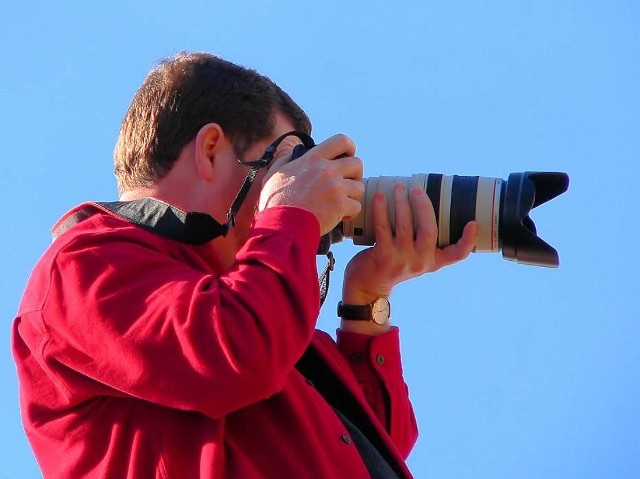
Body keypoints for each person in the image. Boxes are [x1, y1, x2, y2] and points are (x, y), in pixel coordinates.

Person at [12, 52, 478, 478]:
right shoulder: (83, 266)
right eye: (286, 162)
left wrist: (366, 301)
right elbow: (233, 355)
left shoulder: (258, 305)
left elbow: (373, 449)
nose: (298, 183)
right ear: (211, 148)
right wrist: (290, 213)